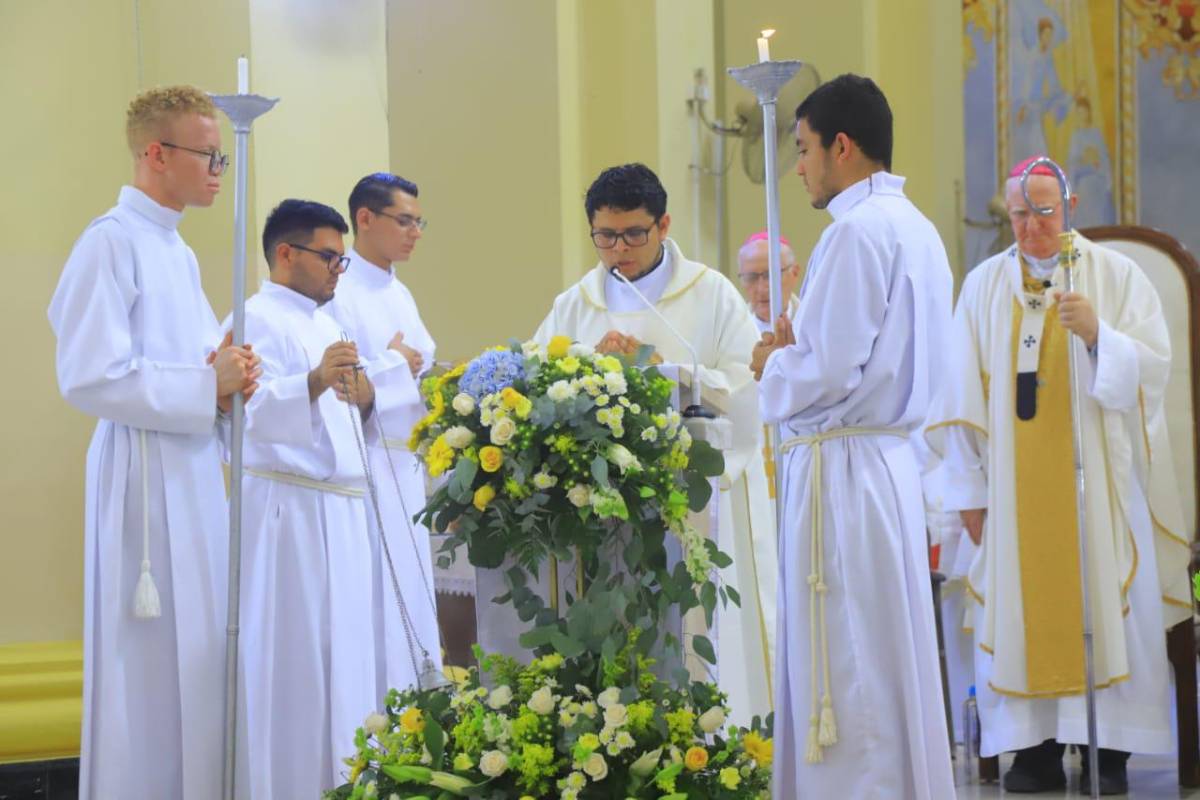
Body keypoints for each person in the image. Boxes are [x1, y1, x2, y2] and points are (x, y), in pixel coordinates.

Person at [925, 155, 1192, 795]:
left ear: (1067, 206)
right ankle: (1036, 747)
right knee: (1021, 605)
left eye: (1043, 212)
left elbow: (1154, 371)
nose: (1030, 226)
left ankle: (1110, 748)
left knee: (1109, 598)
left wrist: (1101, 336)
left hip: (1101, 485)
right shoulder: (985, 286)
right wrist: (967, 492)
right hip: (1012, 496)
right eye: (1019, 213)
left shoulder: (1115, 276)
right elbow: (959, 395)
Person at [48, 85, 259, 800]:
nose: (218, 170)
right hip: (140, 478)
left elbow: (201, 364)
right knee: (147, 671)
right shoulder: (109, 242)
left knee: (199, 660)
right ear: (157, 153)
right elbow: (89, 376)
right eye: (209, 153)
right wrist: (206, 387)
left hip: (192, 470)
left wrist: (231, 379)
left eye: (222, 156)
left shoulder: (176, 251)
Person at [751, 73, 956, 799]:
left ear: (841, 146)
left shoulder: (854, 233)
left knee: (848, 658)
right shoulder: (919, 229)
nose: (798, 167)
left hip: (842, 466)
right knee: (883, 648)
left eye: (803, 149)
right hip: (886, 463)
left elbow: (829, 370)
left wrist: (772, 366)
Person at [518, 162, 777, 723]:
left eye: (634, 234)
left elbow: (748, 383)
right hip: (599, 515)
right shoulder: (575, 304)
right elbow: (536, 380)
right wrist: (588, 365)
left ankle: (712, 740)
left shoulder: (712, 295)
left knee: (694, 634)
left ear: (663, 225)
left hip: (692, 501)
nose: (619, 250)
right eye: (605, 236)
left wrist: (667, 371)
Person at [236, 199, 419, 798]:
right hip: (292, 516)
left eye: (342, 260)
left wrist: (366, 396)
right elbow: (244, 417)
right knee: (303, 670)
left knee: (350, 667)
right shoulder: (252, 319)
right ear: (285, 253)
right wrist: (313, 380)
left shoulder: (329, 322)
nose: (339, 271)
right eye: (329, 257)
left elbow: (353, 419)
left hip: (344, 510)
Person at [326, 172, 441, 699]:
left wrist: (404, 370)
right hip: (368, 463)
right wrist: (397, 366)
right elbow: (348, 386)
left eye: (419, 222)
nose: (415, 232)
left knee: (413, 602)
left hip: (406, 466)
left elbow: (423, 369)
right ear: (365, 219)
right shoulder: (339, 291)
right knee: (378, 603)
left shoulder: (400, 291)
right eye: (405, 221)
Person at [736, 230, 802, 334]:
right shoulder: (732, 331)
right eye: (751, 277)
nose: (762, 289)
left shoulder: (814, 323)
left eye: (770, 276)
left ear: (794, 273)